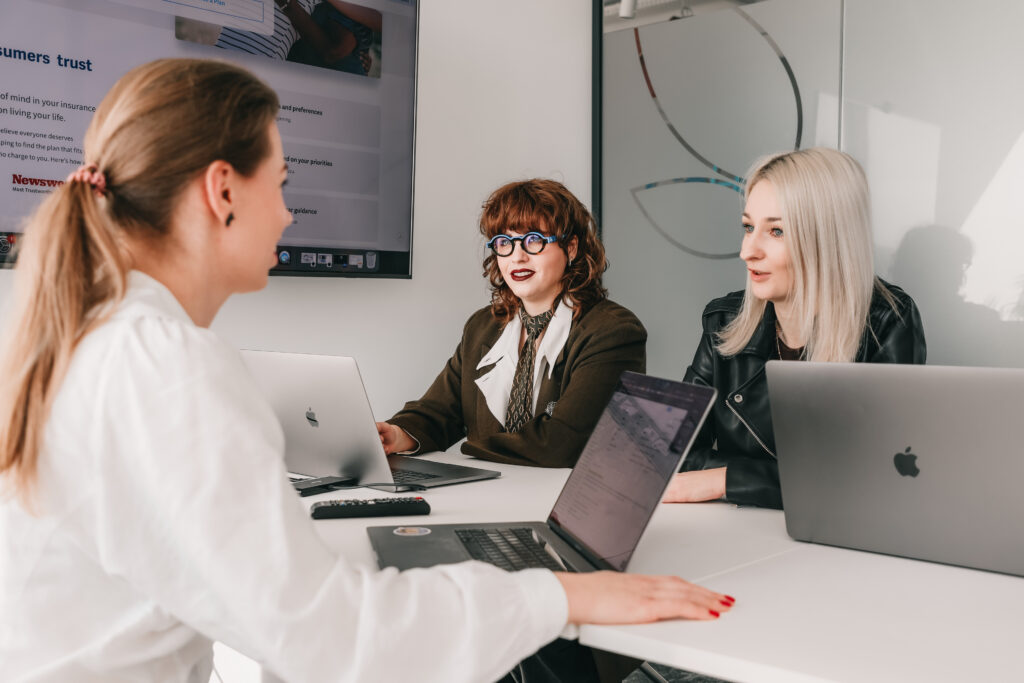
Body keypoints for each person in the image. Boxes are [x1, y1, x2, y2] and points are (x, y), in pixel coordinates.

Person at [0, 59, 733, 682]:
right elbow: (333, 637)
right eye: (281, 183)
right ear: (223, 191)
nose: (288, 216)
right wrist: (563, 597)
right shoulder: (166, 366)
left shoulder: (99, 339)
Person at [665, 147, 926, 510]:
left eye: (776, 231)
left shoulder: (886, 324)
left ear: (827, 240)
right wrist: (778, 480)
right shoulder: (722, 322)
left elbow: (877, 477)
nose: (748, 251)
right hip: (738, 535)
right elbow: (675, 457)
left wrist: (726, 478)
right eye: (748, 227)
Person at [377, 179, 648, 468]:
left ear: (570, 248)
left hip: (567, 502)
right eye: (505, 243)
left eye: (533, 240)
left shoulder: (613, 332)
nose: (517, 257)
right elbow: (439, 412)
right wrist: (395, 434)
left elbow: (561, 444)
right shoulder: (484, 326)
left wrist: (466, 449)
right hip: (494, 496)